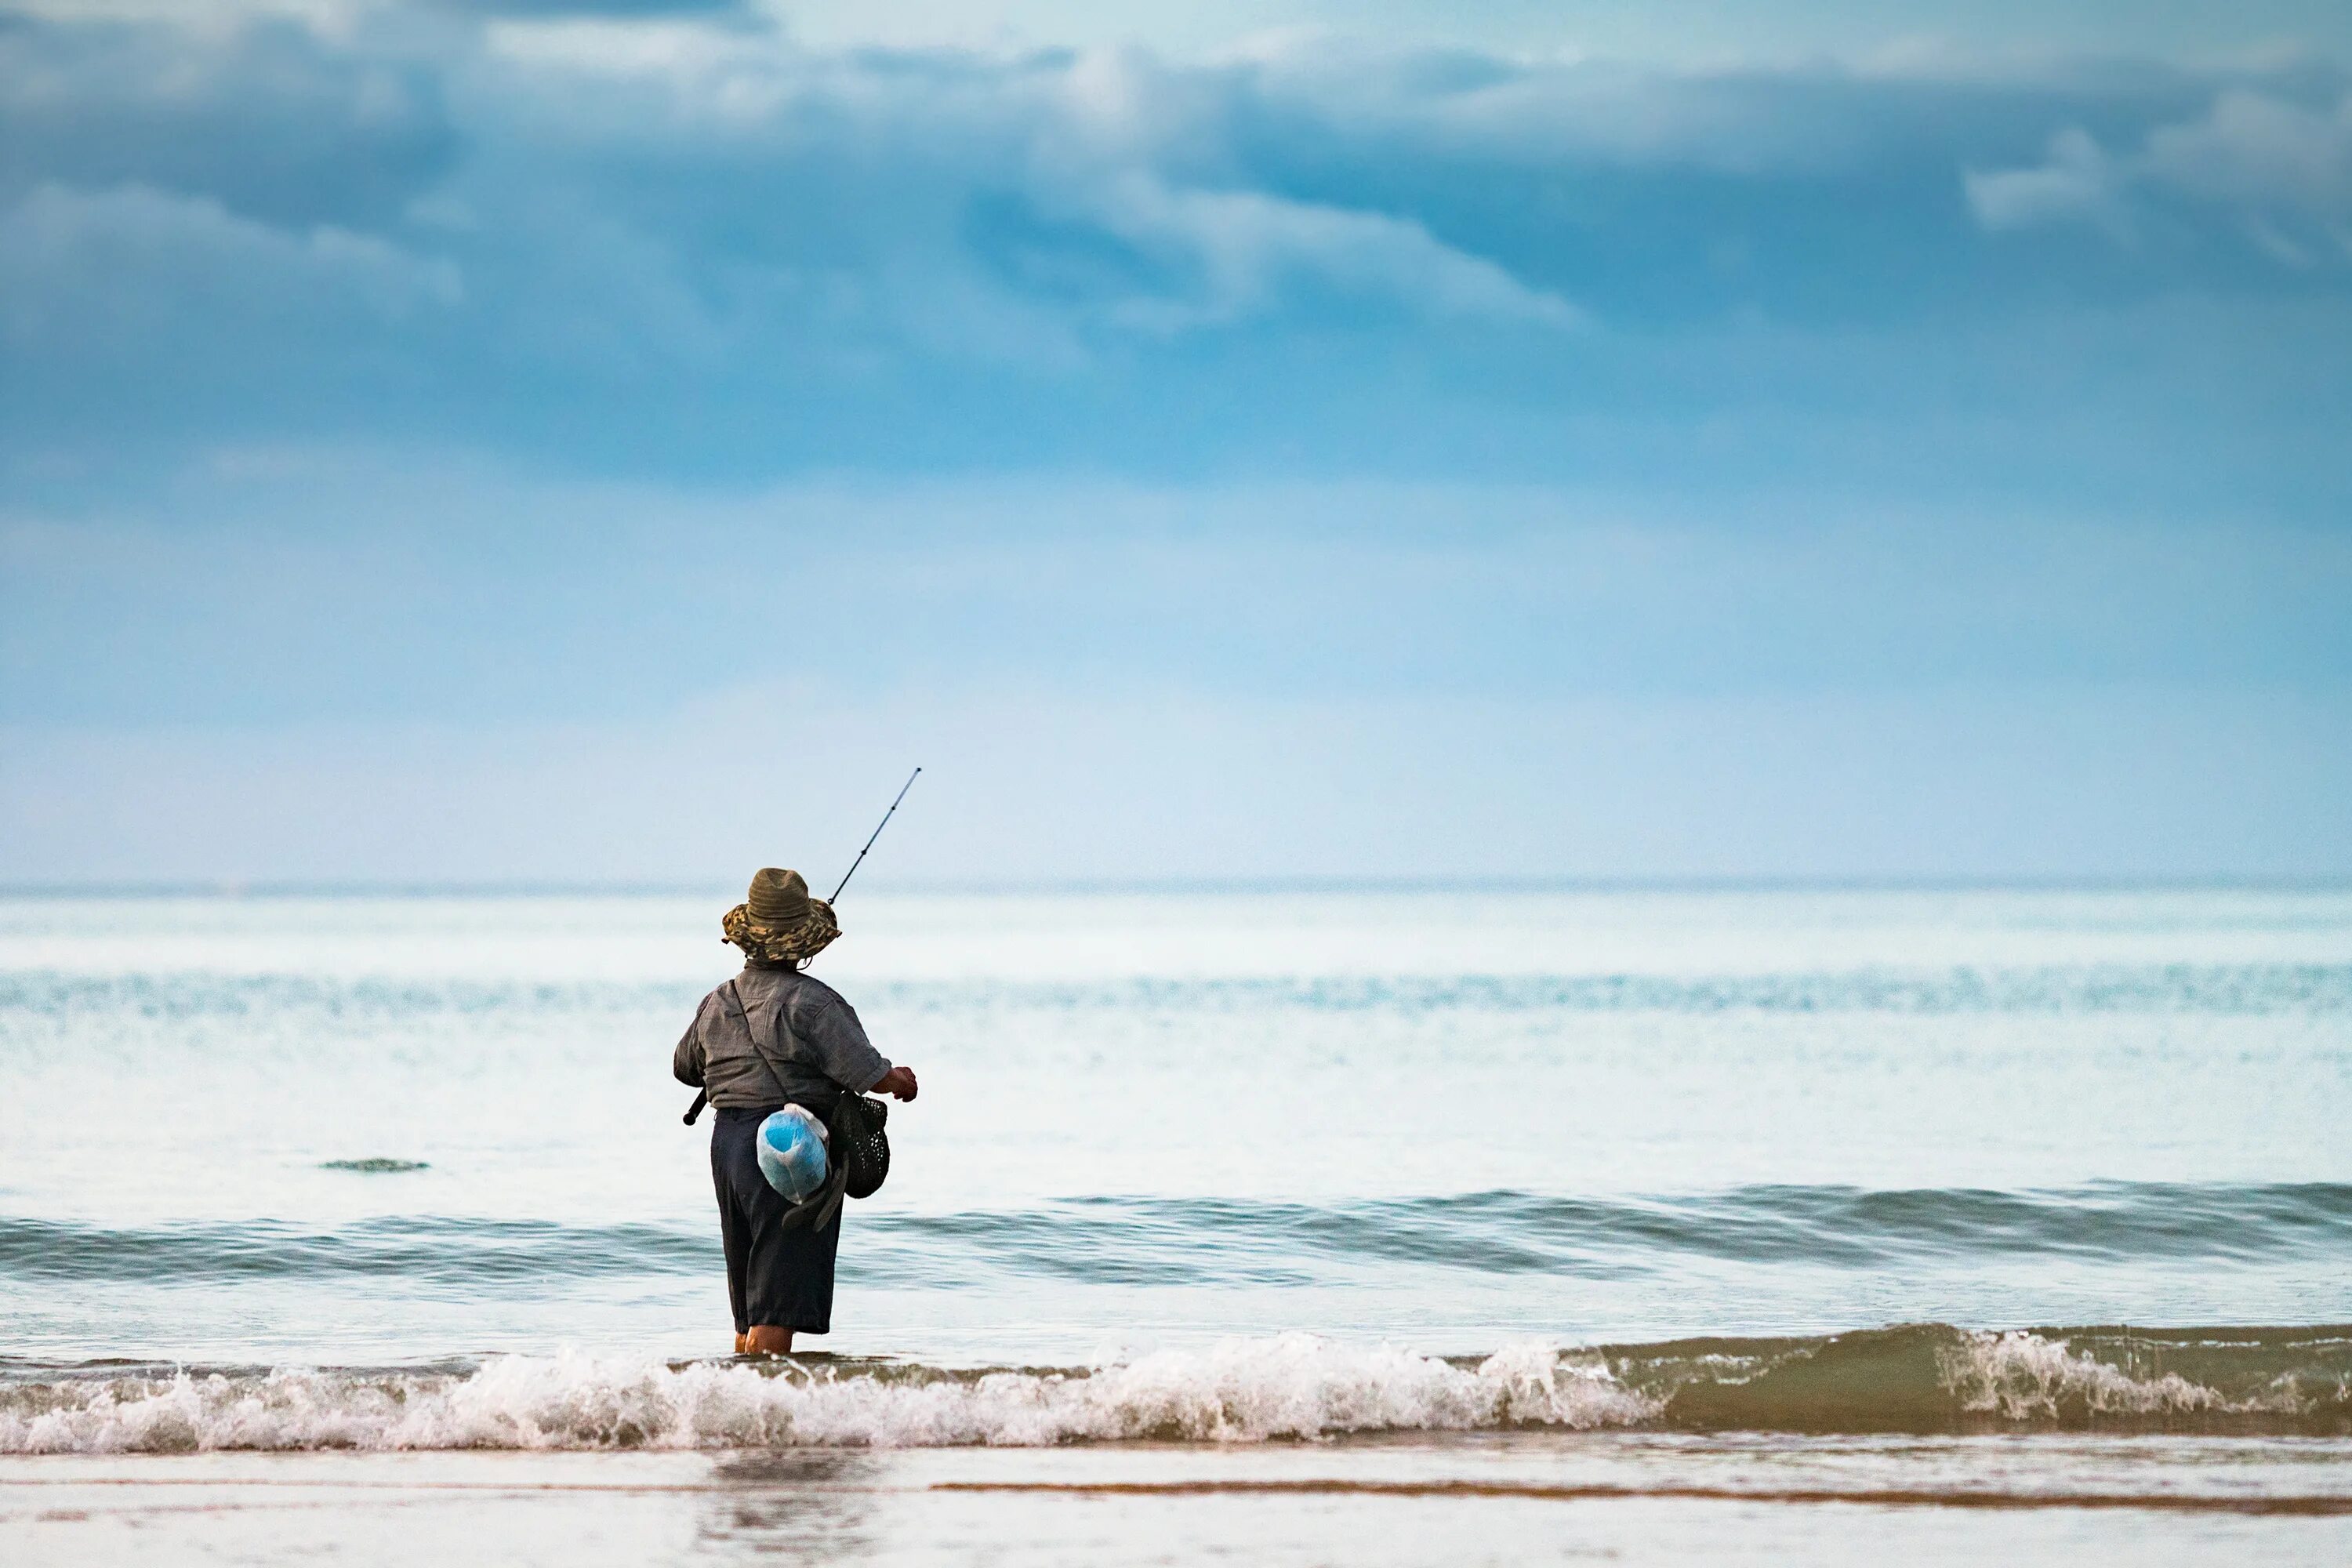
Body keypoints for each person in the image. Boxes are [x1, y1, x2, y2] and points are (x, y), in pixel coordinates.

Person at [673, 867, 918, 1356]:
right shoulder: (815, 1003)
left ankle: (739, 1414)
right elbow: (867, 1074)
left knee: (750, 1300)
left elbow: (685, 1068)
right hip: (789, 1146)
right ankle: (768, 1421)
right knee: (778, 1302)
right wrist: (901, 1080)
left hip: (730, 1148)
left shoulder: (717, 1001)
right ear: (804, 941)